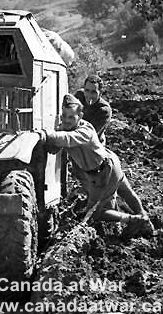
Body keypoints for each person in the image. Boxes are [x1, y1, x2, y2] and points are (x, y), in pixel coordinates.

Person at [37, 94, 154, 236]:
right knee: (126, 192)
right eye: (64, 116)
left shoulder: (86, 130)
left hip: (103, 172)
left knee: (95, 213)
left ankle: (134, 219)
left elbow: (69, 139)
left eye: (71, 117)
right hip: (108, 163)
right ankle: (145, 219)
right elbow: (55, 148)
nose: (66, 121)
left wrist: (46, 134)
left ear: (80, 116)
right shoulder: (64, 128)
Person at [74, 75, 112, 145]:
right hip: (75, 136)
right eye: (87, 90)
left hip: (93, 145)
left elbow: (89, 134)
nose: (89, 95)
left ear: (100, 93)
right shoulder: (79, 96)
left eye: (94, 92)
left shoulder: (104, 110)